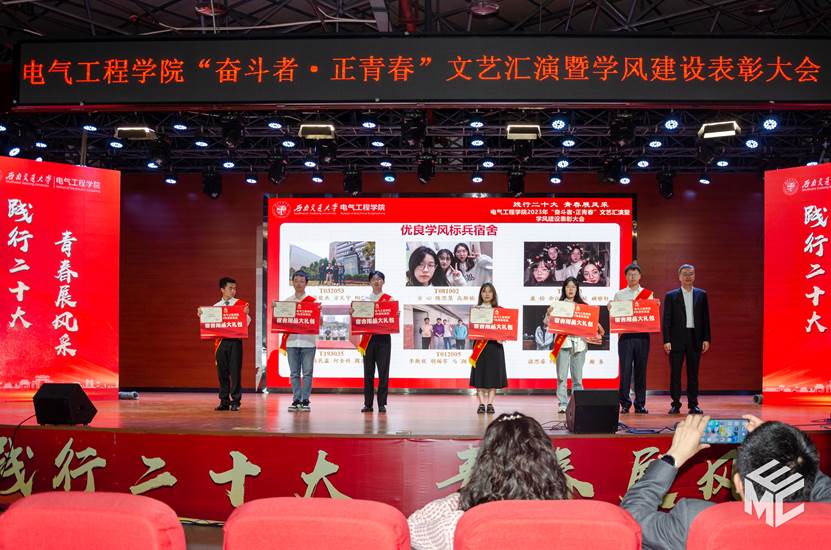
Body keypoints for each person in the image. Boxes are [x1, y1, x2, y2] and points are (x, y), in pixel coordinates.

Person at [621, 414, 831, 550]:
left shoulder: (697, 521)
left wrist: (673, 456)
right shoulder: (826, 519)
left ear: (739, 484)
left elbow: (631, 520)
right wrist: (784, 447)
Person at [408, 412, 570, 550]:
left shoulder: (461, 526)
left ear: (485, 465)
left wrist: (465, 497)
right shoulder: (568, 522)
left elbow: (411, 528)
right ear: (548, 465)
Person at [548, 277, 604, 413]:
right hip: (563, 343)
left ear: (577, 289)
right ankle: (562, 403)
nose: (571, 289)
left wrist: (597, 325)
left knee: (577, 378)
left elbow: (594, 325)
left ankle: (576, 404)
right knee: (561, 376)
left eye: (573, 287)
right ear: (564, 289)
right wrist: (548, 314)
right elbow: (547, 323)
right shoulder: (558, 305)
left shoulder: (584, 306)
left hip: (580, 344)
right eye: (568, 286)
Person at [662, 264, 711, 414]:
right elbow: (666, 320)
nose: (688, 277)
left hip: (695, 338)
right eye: (685, 274)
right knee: (675, 373)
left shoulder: (701, 295)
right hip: (676, 339)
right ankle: (675, 404)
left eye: (691, 274)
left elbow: (705, 319)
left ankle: (693, 404)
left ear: (694, 276)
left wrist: (706, 339)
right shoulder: (671, 296)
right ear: (679, 277)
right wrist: (666, 340)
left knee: (693, 374)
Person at [199, 277, 250, 411]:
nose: (233, 291)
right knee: (222, 373)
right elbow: (209, 325)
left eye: (235, 288)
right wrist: (202, 315)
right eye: (230, 288)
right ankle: (224, 401)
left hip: (235, 342)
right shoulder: (216, 307)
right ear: (222, 289)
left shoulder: (241, 305)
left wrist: (246, 315)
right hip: (220, 342)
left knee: (235, 372)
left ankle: (236, 401)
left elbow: (247, 323)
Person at [614, 263, 654, 414]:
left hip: (642, 336)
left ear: (640, 276)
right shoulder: (619, 295)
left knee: (641, 370)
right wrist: (611, 308)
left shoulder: (647, 294)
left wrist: (655, 307)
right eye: (630, 274)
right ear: (626, 276)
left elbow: (650, 314)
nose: (632, 277)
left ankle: (640, 404)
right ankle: (625, 403)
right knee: (625, 371)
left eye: (635, 274)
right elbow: (615, 316)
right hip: (625, 337)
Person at [469, 283, 508, 414]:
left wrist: (502, 337)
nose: (487, 294)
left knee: (493, 375)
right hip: (480, 347)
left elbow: (505, 331)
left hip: (495, 347)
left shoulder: (500, 311)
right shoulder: (475, 310)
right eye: (484, 291)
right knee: (479, 375)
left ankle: (490, 403)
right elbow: (472, 331)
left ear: (493, 294)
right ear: (481, 294)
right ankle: (481, 404)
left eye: (489, 291)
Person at [359, 271, 392, 413]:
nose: (376, 281)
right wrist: (353, 312)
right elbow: (359, 319)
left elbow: (392, 319)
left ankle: (382, 404)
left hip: (384, 339)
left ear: (383, 281)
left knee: (383, 372)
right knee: (368, 373)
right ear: (369, 282)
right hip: (368, 339)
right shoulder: (364, 300)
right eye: (373, 279)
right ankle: (368, 404)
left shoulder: (389, 300)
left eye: (379, 279)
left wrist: (396, 314)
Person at [284, 270, 317, 412]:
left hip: (308, 343)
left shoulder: (313, 302)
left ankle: (305, 400)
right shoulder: (286, 302)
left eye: (302, 281)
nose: (298, 284)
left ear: (306, 283)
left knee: (307, 373)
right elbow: (280, 321)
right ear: (292, 282)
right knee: (294, 373)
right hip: (291, 342)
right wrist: (275, 310)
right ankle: (296, 399)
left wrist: (319, 313)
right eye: (296, 281)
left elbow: (319, 323)